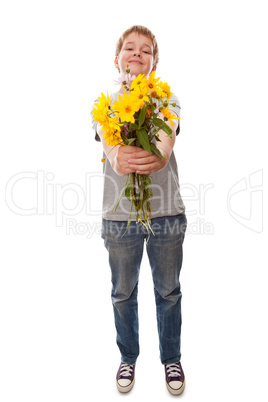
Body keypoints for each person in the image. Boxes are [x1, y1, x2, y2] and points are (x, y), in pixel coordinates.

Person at [91, 25, 187, 395]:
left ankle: (172, 358)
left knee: (169, 293)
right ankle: (127, 357)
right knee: (122, 293)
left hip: (165, 213)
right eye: (129, 48)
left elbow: (162, 148)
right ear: (117, 60)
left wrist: (153, 153)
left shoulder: (169, 100)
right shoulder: (106, 106)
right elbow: (114, 153)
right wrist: (119, 155)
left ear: (154, 63)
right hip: (119, 219)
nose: (137, 53)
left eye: (145, 50)